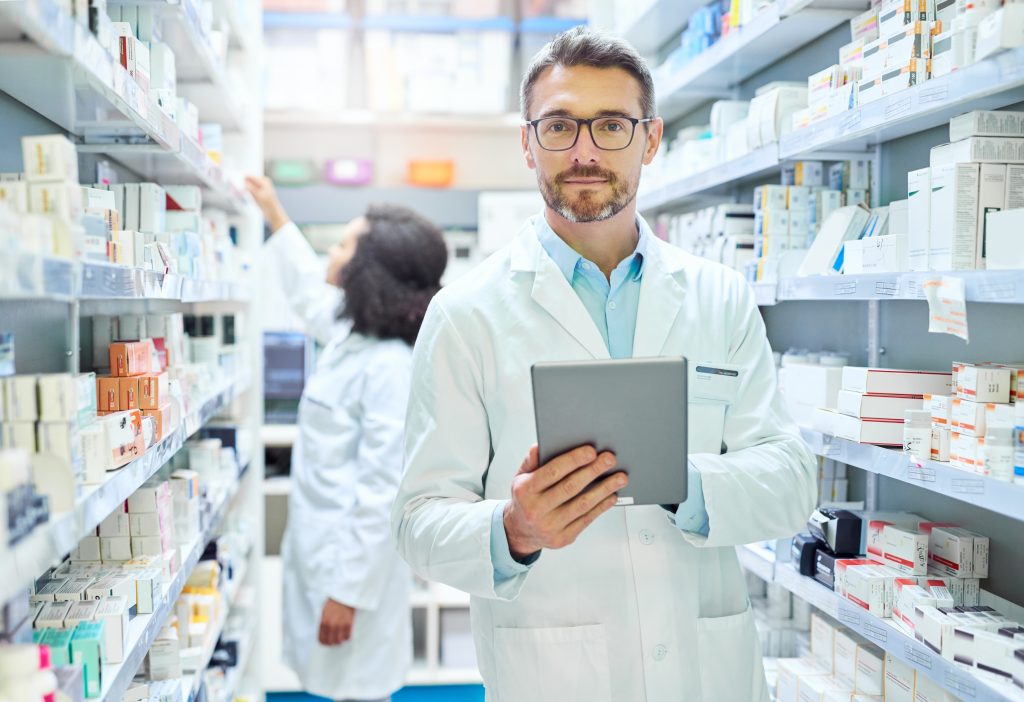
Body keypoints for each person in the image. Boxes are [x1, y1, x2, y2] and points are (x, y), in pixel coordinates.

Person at [391, 27, 816, 702]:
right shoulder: (466, 314)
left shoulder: (719, 298)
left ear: (650, 139)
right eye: (559, 125)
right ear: (527, 143)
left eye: (611, 125)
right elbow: (417, 522)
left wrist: (681, 481)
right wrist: (513, 529)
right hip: (555, 674)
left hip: (707, 671)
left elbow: (792, 481)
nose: (585, 151)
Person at [247, 176, 449, 702]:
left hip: (350, 570)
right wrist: (272, 208)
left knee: (358, 688)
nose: (330, 253)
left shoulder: (389, 368)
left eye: (341, 245)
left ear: (369, 272)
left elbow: (382, 492)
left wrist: (348, 593)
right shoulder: (352, 333)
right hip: (321, 551)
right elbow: (306, 288)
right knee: (333, 684)